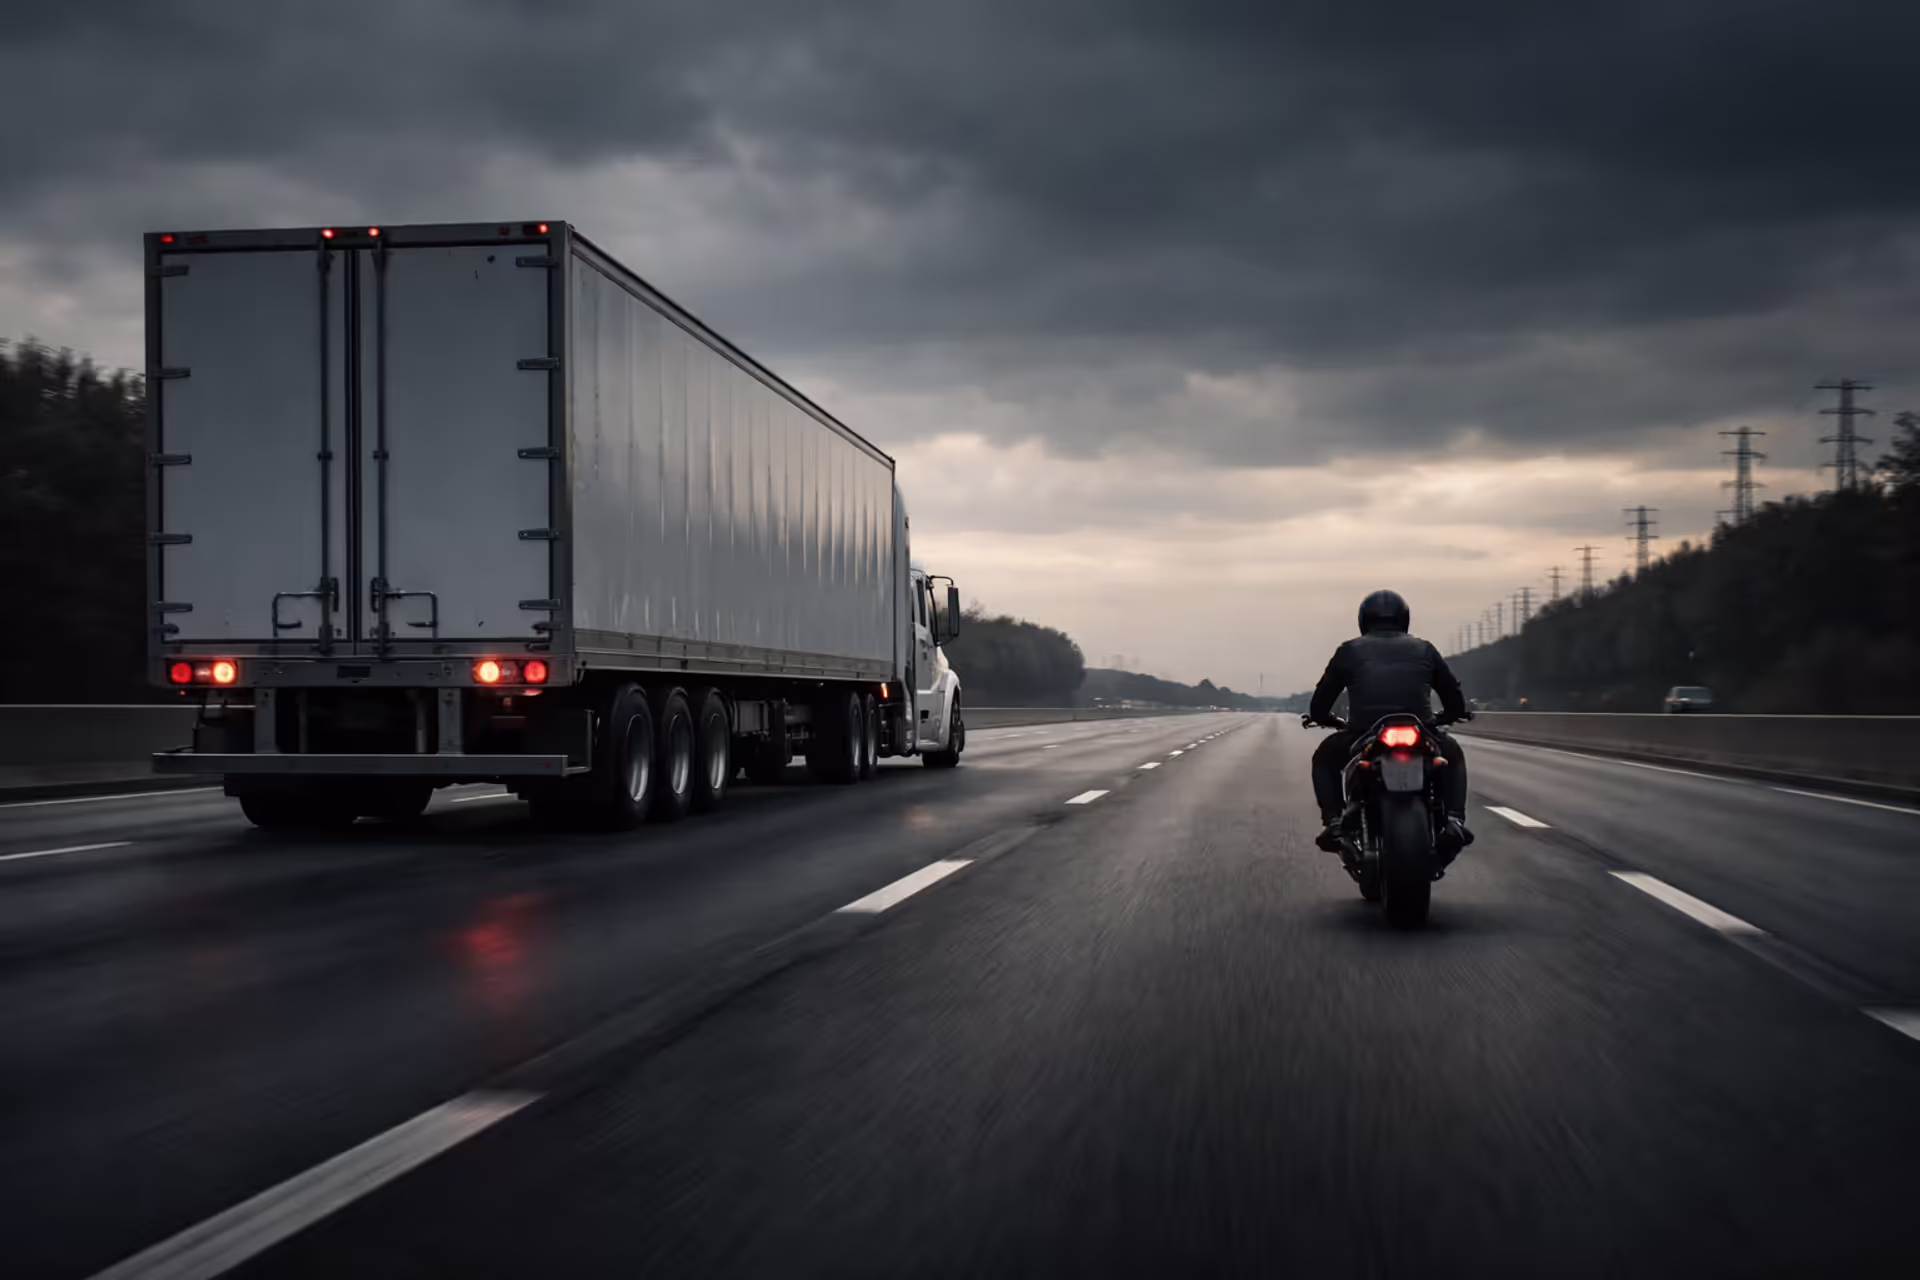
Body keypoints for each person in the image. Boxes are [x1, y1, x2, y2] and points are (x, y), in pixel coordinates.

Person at [1307, 589, 1474, 859]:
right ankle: (1454, 820)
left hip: (1364, 732)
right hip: (1421, 729)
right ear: (1404, 619)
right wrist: (1448, 715)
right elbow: (1453, 697)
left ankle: (1335, 822)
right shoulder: (1425, 649)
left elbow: (1319, 705)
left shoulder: (1348, 651)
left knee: (1324, 759)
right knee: (1452, 754)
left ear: (1363, 620)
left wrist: (1326, 720)